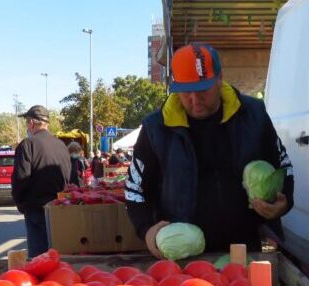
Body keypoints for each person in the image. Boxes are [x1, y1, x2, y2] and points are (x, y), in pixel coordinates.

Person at [126, 43, 294, 257]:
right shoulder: (155, 128)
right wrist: (146, 230)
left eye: (203, 90)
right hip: (183, 255)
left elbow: (283, 166)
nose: (194, 100)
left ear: (220, 78)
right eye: (185, 92)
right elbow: (135, 190)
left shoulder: (254, 115)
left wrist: (285, 200)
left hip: (244, 249)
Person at [11, 104, 71, 257]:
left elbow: (20, 178)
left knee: (40, 259)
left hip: (37, 209)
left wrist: (20, 204)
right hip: (61, 208)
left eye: (26, 123)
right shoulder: (61, 145)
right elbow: (71, 177)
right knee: (61, 256)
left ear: (31, 123)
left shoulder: (27, 145)